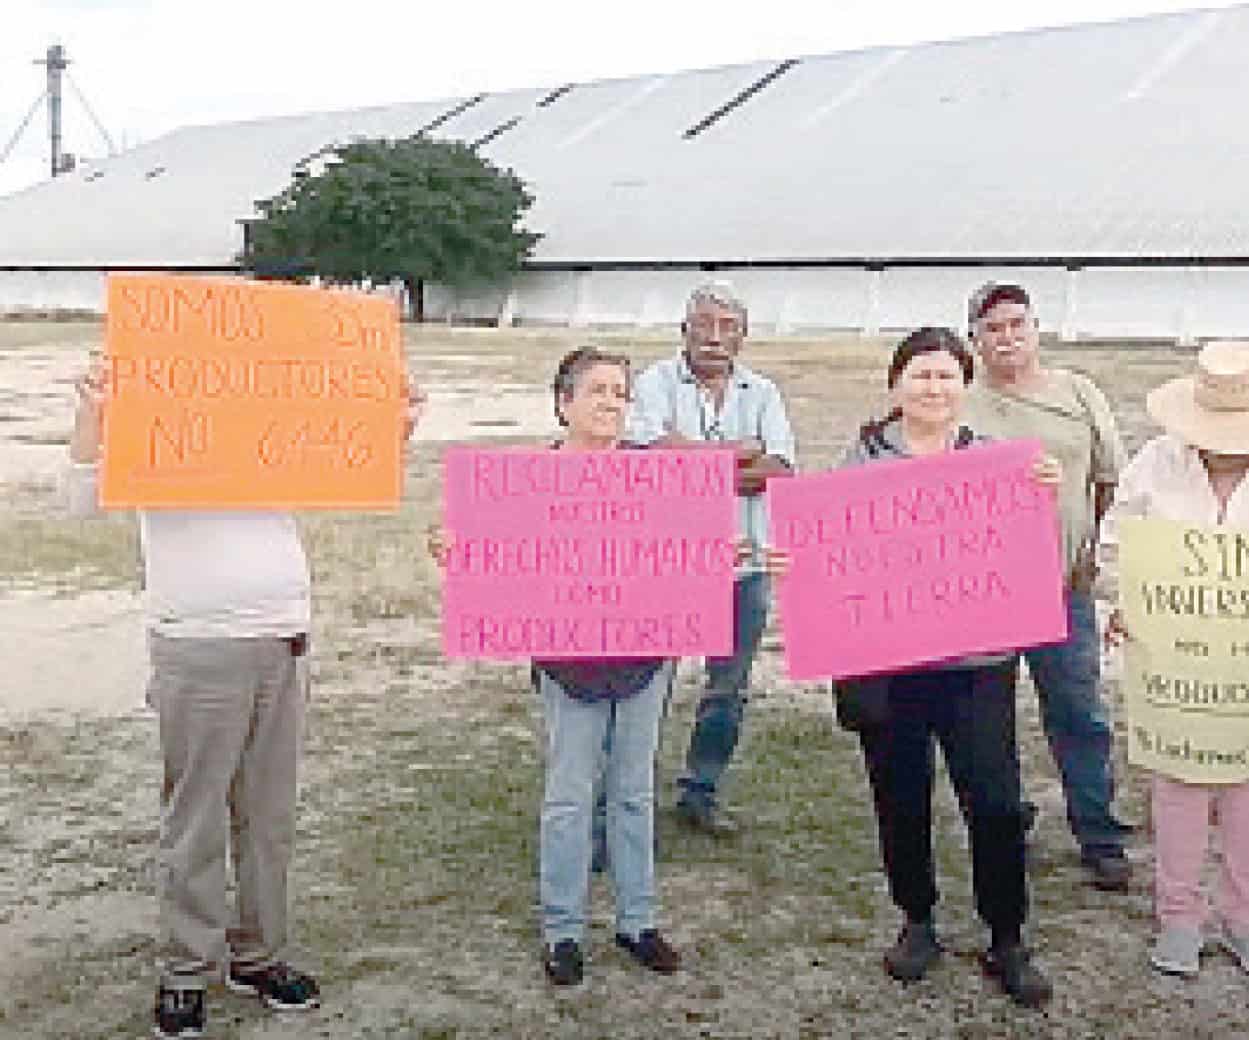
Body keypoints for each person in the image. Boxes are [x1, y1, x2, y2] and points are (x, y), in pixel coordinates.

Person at [65, 357, 424, 1039]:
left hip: (281, 641)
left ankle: (259, 955)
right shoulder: (148, 426)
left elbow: (348, 476)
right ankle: (184, 970)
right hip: (198, 646)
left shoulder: (269, 421)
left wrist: (395, 431)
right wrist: (94, 418)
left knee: (268, 818)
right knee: (195, 818)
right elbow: (79, 503)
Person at [431, 347, 681, 986]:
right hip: (569, 664)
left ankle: (637, 920)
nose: (610, 403)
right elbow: (491, 559)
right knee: (569, 796)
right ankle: (563, 929)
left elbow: (689, 554)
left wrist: (721, 554)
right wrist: (456, 550)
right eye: (596, 390)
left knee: (633, 792)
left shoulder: (656, 477)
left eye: (620, 392)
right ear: (564, 403)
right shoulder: (528, 483)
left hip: (644, 658)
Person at [835, 327, 1057, 1008]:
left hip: (976, 664)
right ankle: (918, 920)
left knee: (993, 801)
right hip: (891, 665)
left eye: (944, 377)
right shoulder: (860, 460)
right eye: (919, 375)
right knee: (900, 797)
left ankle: (1006, 935)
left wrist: (1040, 499)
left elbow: (1024, 557)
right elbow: (830, 552)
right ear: (895, 384)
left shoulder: (995, 463)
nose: (932, 388)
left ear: (964, 387)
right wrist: (796, 562)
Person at [962, 281, 1133, 890]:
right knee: (988, 718)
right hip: (987, 595)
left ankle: (1099, 832)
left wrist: (1086, 545)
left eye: (1016, 324)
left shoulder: (1078, 393)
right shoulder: (962, 403)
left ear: (1034, 328)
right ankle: (1008, 825)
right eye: (992, 329)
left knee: (1079, 712)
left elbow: (1107, 478)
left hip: (1065, 587)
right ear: (976, 341)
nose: (1006, 337)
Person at [1100, 341, 1249, 978]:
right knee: (1180, 791)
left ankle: (1244, 920)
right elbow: (1113, 544)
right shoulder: (1154, 465)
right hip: (1176, 668)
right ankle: (1180, 919)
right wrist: (1125, 602)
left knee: (1247, 794)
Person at [627, 281, 796, 835]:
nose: (715, 338)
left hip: (743, 566)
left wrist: (694, 463)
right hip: (671, 563)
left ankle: (701, 791)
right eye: (705, 324)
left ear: (742, 338)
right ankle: (631, 797)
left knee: (727, 687)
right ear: (685, 330)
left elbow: (779, 472)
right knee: (650, 683)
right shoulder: (651, 384)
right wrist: (737, 453)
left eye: (728, 328)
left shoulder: (763, 392)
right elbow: (649, 457)